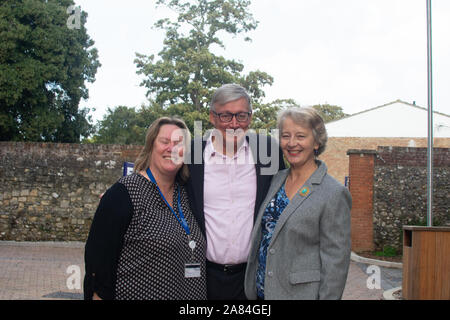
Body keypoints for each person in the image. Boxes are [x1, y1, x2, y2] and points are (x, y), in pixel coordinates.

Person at [84, 117, 207, 300]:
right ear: (151, 146)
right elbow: (98, 267)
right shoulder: (124, 194)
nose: (171, 148)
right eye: (164, 141)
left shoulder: (189, 194)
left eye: (178, 143)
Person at [186, 84, 285, 300]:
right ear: (212, 117)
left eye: (241, 116)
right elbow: (165, 187)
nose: (234, 124)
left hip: (252, 278)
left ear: (250, 117)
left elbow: (289, 190)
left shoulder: (267, 151)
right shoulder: (192, 153)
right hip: (203, 277)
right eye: (225, 116)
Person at [244, 107, 351, 300]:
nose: (292, 143)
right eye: (286, 136)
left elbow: (336, 262)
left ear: (316, 142)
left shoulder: (334, 193)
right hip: (261, 294)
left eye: (301, 136)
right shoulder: (276, 180)